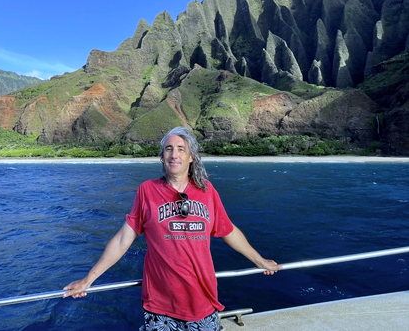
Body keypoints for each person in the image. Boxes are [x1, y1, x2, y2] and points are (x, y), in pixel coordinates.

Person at [63, 126, 281, 331]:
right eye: (169, 149)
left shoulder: (207, 191)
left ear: (191, 157)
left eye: (180, 149)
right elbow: (122, 240)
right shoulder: (147, 191)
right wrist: (88, 280)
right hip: (160, 307)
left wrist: (259, 260)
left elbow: (228, 230)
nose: (174, 154)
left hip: (203, 302)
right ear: (162, 156)